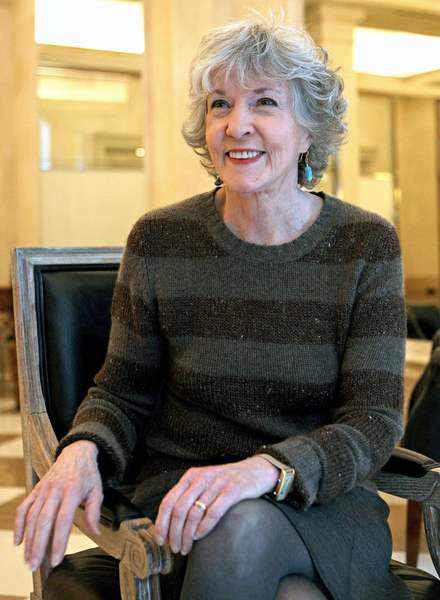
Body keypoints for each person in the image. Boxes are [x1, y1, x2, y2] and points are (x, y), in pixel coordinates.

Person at [14, 14, 411, 600]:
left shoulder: (364, 244)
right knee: (264, 565)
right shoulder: (161, 239)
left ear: (310, 130)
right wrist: (80, 450)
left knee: (244, 530)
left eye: (265, 103)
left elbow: (373, 420)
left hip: (319, 500)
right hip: (184, 500)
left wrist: (265, 470)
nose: (236, 125)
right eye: (220, 104)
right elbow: (122, 392)